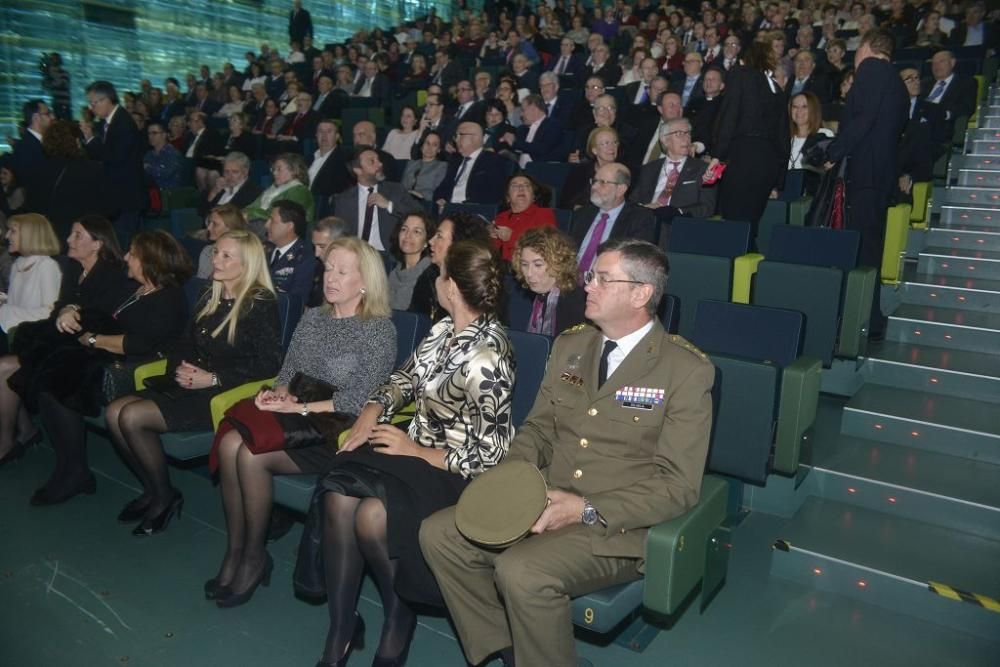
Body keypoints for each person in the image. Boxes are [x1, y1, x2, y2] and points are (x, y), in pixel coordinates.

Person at [420, 238, 714, 667]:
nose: (587, 285)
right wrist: (512, 483)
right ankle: (511, 650)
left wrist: (585, 508)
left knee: (521, 571)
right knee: (440, 534)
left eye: (601, 278)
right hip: (548, 497)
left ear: (641, 293)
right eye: (591, 275)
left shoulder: (685, 370)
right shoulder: (571, 346)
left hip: (616, 528)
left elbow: (678, 487)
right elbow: (539, 429)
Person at [317, 238, 514, 666]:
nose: (436, 281)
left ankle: (398, 615)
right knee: (337, 491)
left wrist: (414, 450)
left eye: (440, 274)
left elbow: (491, 454)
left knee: (371, 516)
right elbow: (405, 379)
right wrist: (372, 409)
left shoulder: (489, 356)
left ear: (452, 288)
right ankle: (341, 627)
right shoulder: (444, 330)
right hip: (413, 451)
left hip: (455, 471)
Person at [206, 236, 396, 606]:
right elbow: (286, 373)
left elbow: (357, 399)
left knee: (247, 454)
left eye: (343, 271)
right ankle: (238, 550)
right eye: (328, 269)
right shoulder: (313, 318)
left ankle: (254, 557)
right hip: (297, 416)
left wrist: (301, 409)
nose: (331, 277)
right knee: (230, 442)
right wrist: (274, 394)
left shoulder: (378, 329)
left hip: (337, 431)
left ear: (365, 281)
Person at [106, 230, 280, 535]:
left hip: (225, 393)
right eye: (216, 252)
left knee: (131, 417)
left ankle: (164, 497)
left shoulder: (260, 304)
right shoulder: (208, 293)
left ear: (248, 263)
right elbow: (185, 342)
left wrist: (212, 378)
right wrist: (179, 370)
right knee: (113, 413)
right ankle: (152, 488)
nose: (216, 259)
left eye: (227, 255)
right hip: (191, 382)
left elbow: (269, 365)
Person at [12, 228, 191, 507]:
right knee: (51, 374)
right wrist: (71, 310)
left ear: (149, 260)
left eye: (133, 253)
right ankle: (71, 468)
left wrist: (93, 339)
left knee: (59, 381)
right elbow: (99, 310)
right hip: (111, 354)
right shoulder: (136, 289)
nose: (126, 257)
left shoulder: (169, 296)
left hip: (141, 366)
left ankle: (74, 471)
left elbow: (140, 343)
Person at [824, 29, 908, 339]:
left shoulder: (872, 69)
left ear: (868, 49)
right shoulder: (898, 83)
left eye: (858, 49)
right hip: (880, 177)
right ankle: (870, 319)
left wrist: (834, 151)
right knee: (870, 252)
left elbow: (864, 119)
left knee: (861, 252)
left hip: (866, 176)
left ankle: (861, 320)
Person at [710, 39, 790, 239]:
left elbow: (730, 115)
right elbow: (784, 137)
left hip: (744, 158)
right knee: (750, 225)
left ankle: (733, 267)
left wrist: (718, 155)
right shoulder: (777, 89)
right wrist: (778, 181)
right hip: (768, 165)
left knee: (734, 224)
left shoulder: (740, 76)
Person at [0, 214, 61, 457]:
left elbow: (49, 312)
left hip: (40, 341)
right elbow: (16, 307)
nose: (6, 236)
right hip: (20, 335)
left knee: (3, 368)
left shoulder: (47, 266)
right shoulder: (18, 265)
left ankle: (7, 440)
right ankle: (25, 429)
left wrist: (7, 308)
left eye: (12, 231)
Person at [631, 118, 718, 241]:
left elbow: (707, 208)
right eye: (679, 134)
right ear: (664, 140)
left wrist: (676, 211)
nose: (686, 138)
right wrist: (645, 208)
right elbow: (633, 201)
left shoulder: (703, 169)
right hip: (646, 224)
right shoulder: (649, 169)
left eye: (687, 133)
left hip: (679, 227)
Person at [81, 81, 145, 243]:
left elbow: (113, 159)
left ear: (107, 99)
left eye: (94, 103)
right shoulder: (107, 122)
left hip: (125, 198)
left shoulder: (123, 123)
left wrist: (90, 139)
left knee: (122, 244)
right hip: (114, 197)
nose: (92, 108)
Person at [570, 162, 655, 274]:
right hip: (569, 280)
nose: (594, 187)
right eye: (594, 181)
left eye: (603, 182)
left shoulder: (639, 219)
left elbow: (634, 260)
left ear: (621, 189)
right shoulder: (582, 214)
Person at [409, 212, 490, 321]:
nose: (430, 241)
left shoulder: (478, 283)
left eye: (439, 236)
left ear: (457, 244)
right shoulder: (428, 276)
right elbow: (415, 320)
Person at [508, 226, 586, 336]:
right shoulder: (542, 296)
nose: (529, 273)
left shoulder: (575, 303)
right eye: (524, 264)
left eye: (538, 265)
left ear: (557, 263)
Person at [433, 122, 509, 208]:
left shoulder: (493, 161)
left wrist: (463, 206)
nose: (456, 140)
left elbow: (493, 195)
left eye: (460, 135)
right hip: (449, 209)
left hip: (472, 211)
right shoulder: (455, 160)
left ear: (474, 138)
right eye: (456, 136)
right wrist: (440, 199)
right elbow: (441, 189)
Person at [490, 174, 556, 262]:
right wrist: (489, 237)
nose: (521, 188)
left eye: (526, 185)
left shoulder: (544, 214)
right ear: (508, 198)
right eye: (515, 185)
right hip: (500, 269)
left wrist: (512, 237)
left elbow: (547, 245)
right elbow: (491, 253)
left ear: (533, 197)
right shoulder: (500, 218)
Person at [560, 127, 621, 210]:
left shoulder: (625, 172)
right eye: (606, 143)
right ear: (594, 150)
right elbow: (564, 202)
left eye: (614, 142)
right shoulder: (579, 172)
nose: (611, 147)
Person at [244, 152, 314, 225]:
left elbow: (284, 217)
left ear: (294, 171)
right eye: (273, 169)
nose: (274, 173)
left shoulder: (300, 191)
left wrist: (252, 213)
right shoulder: (272, 189)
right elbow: (250, 207)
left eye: (279, 169)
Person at [264, 200, 314, 299]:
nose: (266, 225)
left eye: (272, 221)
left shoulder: (304, 257)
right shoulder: (264, 250)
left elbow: (297, 300)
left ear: (289, 226)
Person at [787, 92, 835, 194]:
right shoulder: (784, 139)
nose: (799, 111)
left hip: (812, 195)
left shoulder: (824, 135)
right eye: (795, 106)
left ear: (813, 110)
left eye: (804, 106)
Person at [388, 212, 436, 311]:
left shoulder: (430, 274)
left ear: (427, 241)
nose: (408, 235)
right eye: (404, 229)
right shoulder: (394, 273)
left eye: (416, 231)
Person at [197, 205, 249, 279]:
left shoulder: (245, 254)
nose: (208, 228)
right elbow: (200, 283)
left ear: (231, 228)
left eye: (215, 224)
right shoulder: (207, 251)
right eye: (209, 222)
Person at [400, 131, 447, 202]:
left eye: (434, 145)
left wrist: (419, 195)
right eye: (427, 143)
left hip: (425, 202)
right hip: (404, 200)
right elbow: (402, 187)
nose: (429, 147)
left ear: (439, 150)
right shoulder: (411, 163)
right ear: (422, 146)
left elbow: (437, 193)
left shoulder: (442, 166)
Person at [143, 120, 183, 190]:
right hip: (151, 190)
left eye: (154, 133)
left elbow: (166, 173)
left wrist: (147, 167)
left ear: (164, 135)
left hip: (168, 193)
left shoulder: (172, 153)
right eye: (149, 133)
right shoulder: (149, 154)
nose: (150, 136)